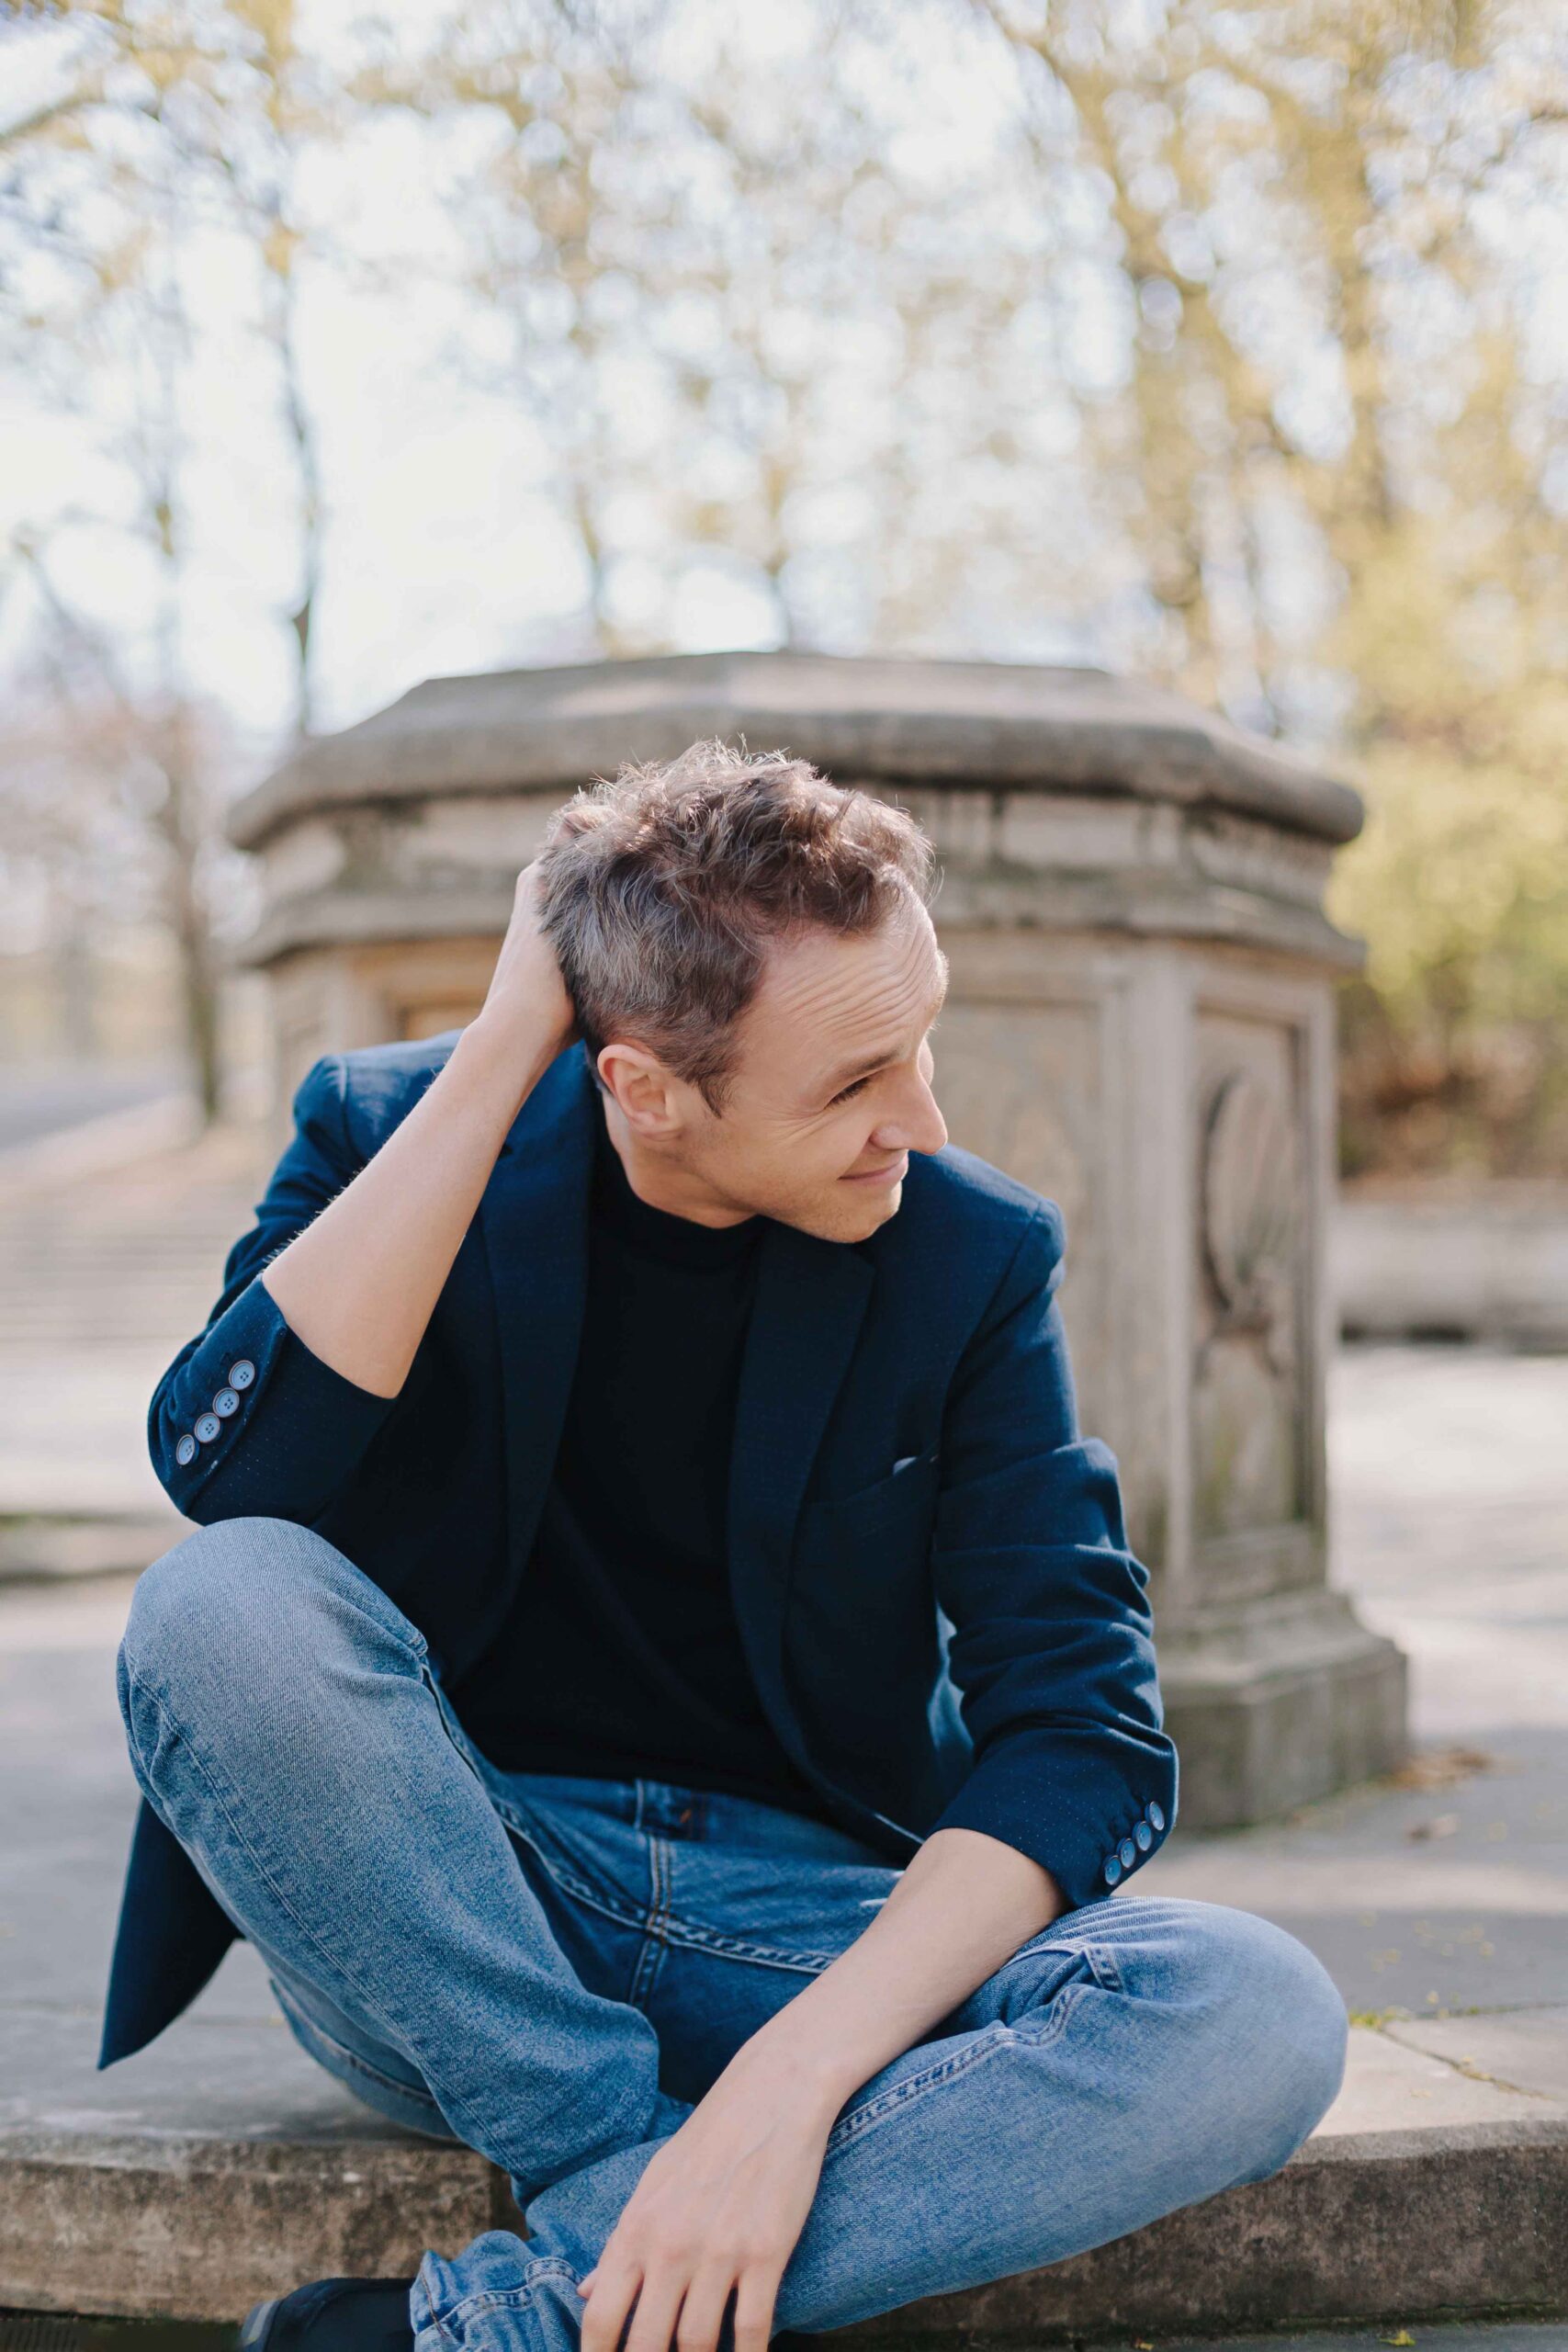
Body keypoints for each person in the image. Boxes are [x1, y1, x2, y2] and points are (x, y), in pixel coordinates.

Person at [101, 741, 1348, 2352]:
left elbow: (1083, 1728)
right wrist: (508, 1046)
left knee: (1249, 2009)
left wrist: (790, 2085)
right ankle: (619, 2178)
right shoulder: (392, 1133)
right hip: (461, 1927)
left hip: (806, 1924)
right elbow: (232, 1481)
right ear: (644, 1087)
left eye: (920, 1041)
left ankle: (521, 2317)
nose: (922, 1121)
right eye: (852, 1084)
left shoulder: (969, 1251)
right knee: (220, 1605)